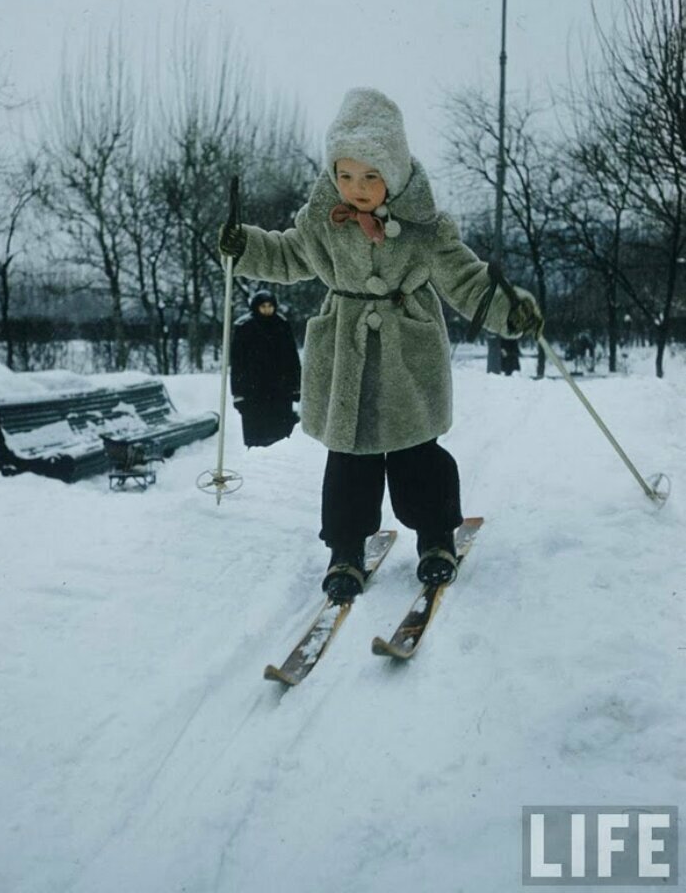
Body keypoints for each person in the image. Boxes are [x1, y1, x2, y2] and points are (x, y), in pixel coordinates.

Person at [219, 88, 543, 603]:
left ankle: (436, 537)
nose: (357, 188)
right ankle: (345, 548)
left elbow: (466, 279)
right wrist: (246, 246)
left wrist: (510, 308)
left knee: (417, 452)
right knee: (348, 460)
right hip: (343, 350)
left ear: (392, 172)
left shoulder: (426, 229)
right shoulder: (321, 221)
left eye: (370, 176)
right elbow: (284, 255)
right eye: (345, 175)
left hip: (407, 350)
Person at [230, 290, 301, 448]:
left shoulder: (282, 324)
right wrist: (238, 393)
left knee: (281, 436)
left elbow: (292, 358)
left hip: (280, 388)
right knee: (258, 435)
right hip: (254, 389)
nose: (267, 309)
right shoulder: (245, 327)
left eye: (270, 306)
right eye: (263, 306)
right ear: (256, 307)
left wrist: (296, 386)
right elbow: (237, 364)